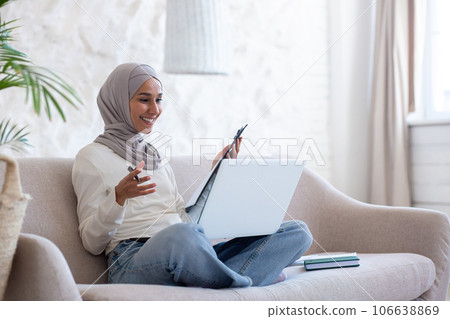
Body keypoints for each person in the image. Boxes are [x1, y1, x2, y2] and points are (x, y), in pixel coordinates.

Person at [72, 62, 313, 288]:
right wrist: (118, 199)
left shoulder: (155, 157)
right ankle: (244, 282)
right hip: (131, 260)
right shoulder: (91, 157)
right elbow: (92, 243)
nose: (155, 110)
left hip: (188, 249)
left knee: (297, 233)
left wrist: (218, 174)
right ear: (119, 102)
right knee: (184, 236)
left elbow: (188, 222)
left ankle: (226, 281)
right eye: (144, 100)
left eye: (159, 100)